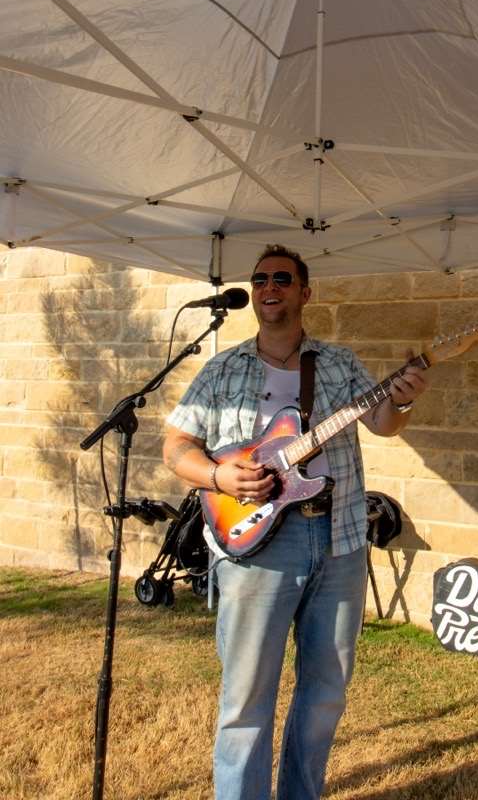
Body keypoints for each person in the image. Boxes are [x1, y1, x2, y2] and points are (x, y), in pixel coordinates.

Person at [162, 244, 428, 800]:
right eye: (260, 279)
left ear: (304, 292)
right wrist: (218, 477)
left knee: (326, 690)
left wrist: (401, 401)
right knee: (246, 698)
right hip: (257, 546)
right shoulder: (222, 367)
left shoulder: (337, 362)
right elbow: (177, 446)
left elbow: (382, 424)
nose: (269, 287)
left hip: (338, 538)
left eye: (282, 279)